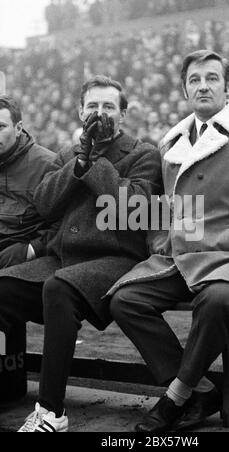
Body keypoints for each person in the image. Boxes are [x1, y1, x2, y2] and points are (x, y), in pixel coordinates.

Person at [109, 50, 229, 432]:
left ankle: (175, 397)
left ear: (227, 86)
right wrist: (162, 240)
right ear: (184, 89)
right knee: (125, 300)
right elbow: (164, 208)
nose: (203, 86)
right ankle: (205, 388)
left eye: (212, 78)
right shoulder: (172, 142)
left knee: (216, 299)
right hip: (187, 255)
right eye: (194, 80)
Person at [0, 76, 161, 432]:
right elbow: (44, 204)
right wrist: (77, 161)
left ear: (123, 114)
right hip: (64, 259)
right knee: (3, 288)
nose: (98, 113)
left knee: (59, 288)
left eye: (107, 107)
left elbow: (134, 212)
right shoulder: (67, 153)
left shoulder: (143, 153)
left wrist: (91, 163)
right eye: (92, 106)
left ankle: (51, 412)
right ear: (79, 111)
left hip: (115, 259)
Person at [0, 95, 56, 269]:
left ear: (18, 128)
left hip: (22, 256)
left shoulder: (48, 165)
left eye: (0, 127)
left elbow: (67, 225)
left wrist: (31, 249)